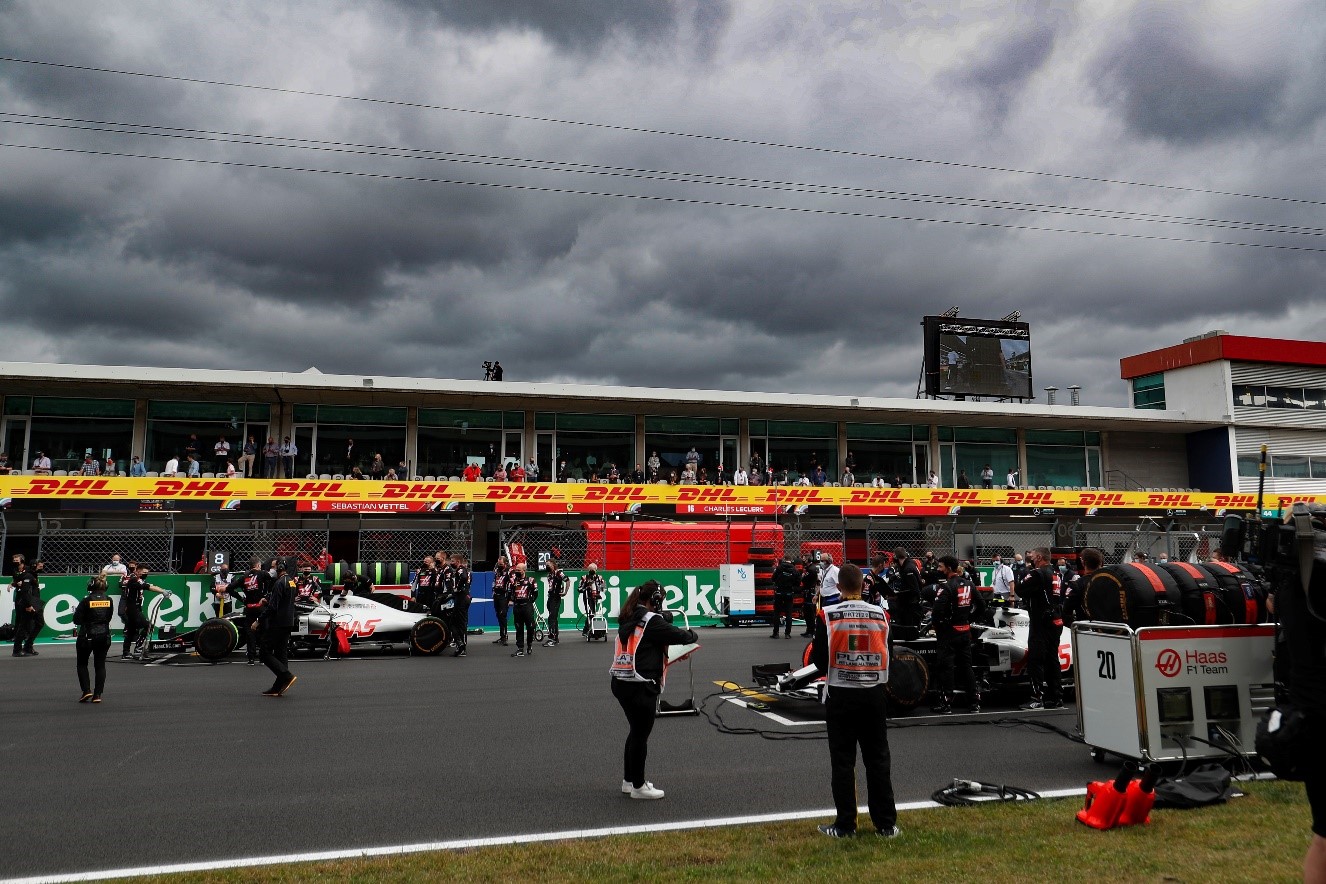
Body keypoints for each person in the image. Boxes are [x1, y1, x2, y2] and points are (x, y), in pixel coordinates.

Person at [810, 564, 899, 837]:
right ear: (863, 585)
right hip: (873, 693)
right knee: (878, 759)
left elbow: (819, 661)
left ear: (838, 587)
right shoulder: (881, 614)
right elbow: (890, 653)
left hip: (841, 693)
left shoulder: (827, 614)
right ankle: (886, 824)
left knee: (843, 761)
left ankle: (845, 825)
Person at [609, 580, 698, 800]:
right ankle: (639, 787)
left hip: (622, 682)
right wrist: (693, 635)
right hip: (640, 686)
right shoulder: (651, 621)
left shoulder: (629, 615)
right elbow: (683, 636)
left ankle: (629, 781)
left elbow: (648, 644)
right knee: (640, 736)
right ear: (655, 600)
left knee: (635, 733)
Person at [931, 555, 983, 714]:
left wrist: (940, 626)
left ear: (948, 568)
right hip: (964, 631)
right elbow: (981, 606)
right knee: (966, 666)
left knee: (946, 667)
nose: (938, 569)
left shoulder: (946, 587)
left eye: (940, 567)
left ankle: (946, 703)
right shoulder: (969, 584)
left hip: (949, 632)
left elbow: (936, 612)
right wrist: (968, 619)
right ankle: (974, 702)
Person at [1017, 547, 1064, 710]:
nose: (1031, 558)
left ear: (1039, 557)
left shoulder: (1038, 573)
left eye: (1033, 556)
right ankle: (1056, 696)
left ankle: (1037, 697)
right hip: (1056, 620)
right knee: (1052, 659)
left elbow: (1019, 588)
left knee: (1035, 660)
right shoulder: (1057, 573)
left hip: (1041, 622)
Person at [253, 561, 297, 696]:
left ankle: (286, 675)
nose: (271, 570)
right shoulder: (291, 581)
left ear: (279, 569)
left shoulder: (279, 583)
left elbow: (273, 607)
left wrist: (259, 620)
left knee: (264, 653)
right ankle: (278, 686)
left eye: (273, 567)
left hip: (278, 623)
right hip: (288, 621)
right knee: (281, 654)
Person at [72, 577, 115, 703]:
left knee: (82, 663)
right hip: (104, 635)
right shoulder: (109, 600)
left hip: (87, 636)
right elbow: (109, 617)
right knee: (100, 665)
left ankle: (86, 691)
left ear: (90, 586)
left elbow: (77, 620)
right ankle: (97, 695)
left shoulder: (86, 600)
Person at [119, 565, 169, 659]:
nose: (146, 574)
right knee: (148, 626)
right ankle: (138, 647)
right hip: (132, 609)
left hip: (135, 608)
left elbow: (151, 585)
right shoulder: (133, 580)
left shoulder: (139, 580)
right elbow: (148, 587)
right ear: (138, 572)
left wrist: (163, 590)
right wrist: (162, 591)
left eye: (147, 573)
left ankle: (126, 652)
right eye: (144, 573)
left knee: (131, 631)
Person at [9, 554, 42, 657]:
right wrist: (28, 605)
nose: (41, 568)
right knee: (23, 626)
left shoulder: (32, 574)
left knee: (40, 623)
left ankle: (28, 646)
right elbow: (24, 591)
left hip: (35, 602)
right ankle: (17, 650)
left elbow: (19, 578)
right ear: (34, 566)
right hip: (28, 604)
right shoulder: (28, 576)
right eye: (39, 566)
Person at [239, 559, 270, 665]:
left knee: (250, 632)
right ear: (257, 565)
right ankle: (262, 658)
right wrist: (266, 595)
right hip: (260, 607)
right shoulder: (262, 573)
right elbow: (273, 581)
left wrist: (242, 598)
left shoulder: (244, 576)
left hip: (249, 608)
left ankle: (251, 658)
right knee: (263, 631)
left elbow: (230, 588)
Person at [509, 562, 538, 657]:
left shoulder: (531, 580)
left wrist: (530, 601)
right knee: (518, 627)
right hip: (517, 606)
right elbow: (510, 593)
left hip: (527, 606)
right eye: (516, 569)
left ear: (524, 570)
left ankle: (529, 644)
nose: (516, 571)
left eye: (518, 570)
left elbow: (535, 593)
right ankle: (520, 648)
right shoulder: (513, 581)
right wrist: (512, 600)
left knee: (530, 627)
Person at [449, 554, 472, 657]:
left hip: (462, 598)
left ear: (458, 562)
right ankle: (460, 644)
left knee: (459, 622)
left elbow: (463, 577)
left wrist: (457, 588)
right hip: (462, 598)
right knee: (456, 621)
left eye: (452, 561)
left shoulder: (461, 569)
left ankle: (461, 646)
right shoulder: (459, 570)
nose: (451, 563)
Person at [772, 555, 798, 638]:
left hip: (779, 592)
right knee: (789, 614)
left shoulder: (779, 568)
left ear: (784, 560)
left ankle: (776, 633)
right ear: (791, 560)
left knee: (777, 613)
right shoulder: (794, 569)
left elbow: (773, 578)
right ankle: (787, 633)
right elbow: (798, 581)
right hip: (789, 592)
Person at [544, 560, 567, 647]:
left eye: (548, 564)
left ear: (553, 564)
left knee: (552, 618)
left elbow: (567, 580)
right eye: (546, 565)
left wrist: (565, 592)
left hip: (556, 597)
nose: (547, 566)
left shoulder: (559, 573)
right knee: (553, 617)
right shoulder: (549, 575)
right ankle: (555, 637)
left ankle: (552, 638)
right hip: (550, 596)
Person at [491, 554, 512, 645]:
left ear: (505, 564)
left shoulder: (510, 572)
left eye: (501, 564)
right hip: (496, 595)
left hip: (504, 596)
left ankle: (504, 637)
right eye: (498, 563)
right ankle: (502, 635)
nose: (499, 565)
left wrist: (511, 599)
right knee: (498, 616)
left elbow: (512, 585)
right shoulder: (497, 571)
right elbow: (494, 581)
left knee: (502, 615)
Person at [581, 563, 606, 637]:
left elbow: (604, 587)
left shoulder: (599, 577)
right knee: (590, 613)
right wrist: (587, 586)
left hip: (595, 597)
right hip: (587, 597)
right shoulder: (584, 577)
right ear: (588, 569)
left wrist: (601, 592)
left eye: (593, 569)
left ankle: (590, 629)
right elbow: (580, 588)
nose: (592, 570)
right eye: (590, 569)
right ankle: (588, 629)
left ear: (596, 569)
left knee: (593, 613)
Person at [799, 555, 820, 637]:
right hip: (808, 591)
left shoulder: (811, 569)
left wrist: (803, 576)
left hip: (810, 592)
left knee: (810, 612)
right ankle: (809, 630)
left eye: (804, 559)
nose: (802, 560)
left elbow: (803, 579)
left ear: (808, 560)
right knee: (807, 612)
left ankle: (811, 631)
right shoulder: (810, 568)